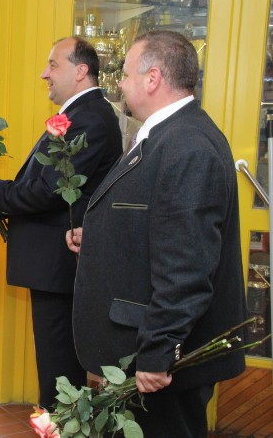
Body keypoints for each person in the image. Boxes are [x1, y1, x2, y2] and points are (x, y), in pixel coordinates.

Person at [67, 30, 246, 437]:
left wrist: (159, 351)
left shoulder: (188, 146)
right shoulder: (165, 133)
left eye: (126, 73)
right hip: (137, 341)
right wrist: (100, 235)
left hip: (158, 359)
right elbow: (158, 223)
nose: (120, 83)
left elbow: (187, 267)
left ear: (152, 79)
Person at [0, 36, 123, 408]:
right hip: (55, 264)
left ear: (81, 71)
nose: (44, 74)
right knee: (58, 367)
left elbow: (49, 190)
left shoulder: (89, 117)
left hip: (61, 263)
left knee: (59, 372)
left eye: (53, 64)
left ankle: (59, 429)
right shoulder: (82, 113)